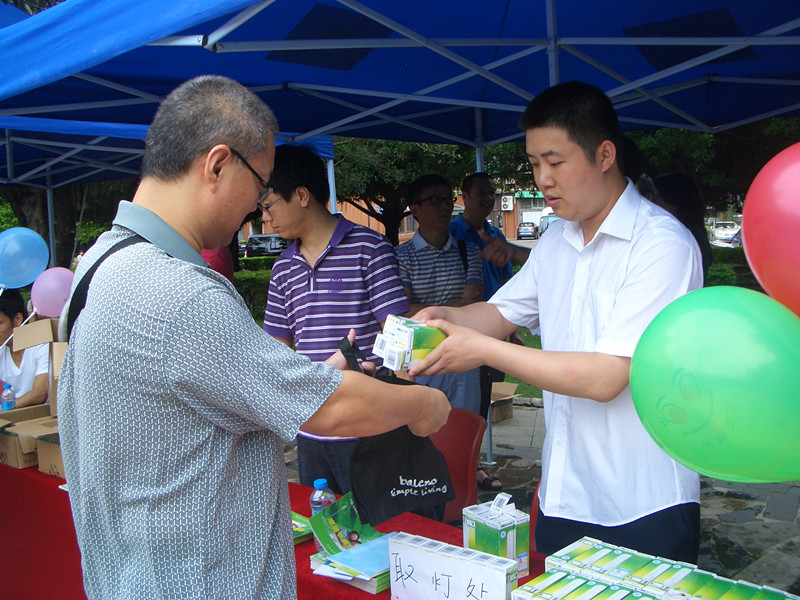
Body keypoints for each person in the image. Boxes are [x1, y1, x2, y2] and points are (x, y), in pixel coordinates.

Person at [57, 75, 449, 600]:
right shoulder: (180, 295)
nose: (257, 207)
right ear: (218, 165)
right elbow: (326, 409)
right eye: (259, 185)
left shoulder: (98, 265)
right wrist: (420, 404)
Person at [408, 81, 703, 562]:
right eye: (533, 163)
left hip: (644, 500)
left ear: (604, 154)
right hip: (567, 492)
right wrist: (448, 316)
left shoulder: (661, 245)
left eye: (556, 161)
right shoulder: (556, 241)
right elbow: (503, 312)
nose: (543, 179)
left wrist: (482, 350)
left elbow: (607, 375)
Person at [262, 143, 410, 495]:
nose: (264, 218)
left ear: (301, 195)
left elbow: (401, 334)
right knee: (325, 529)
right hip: (312, 426)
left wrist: (406, 405)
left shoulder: (370, 249)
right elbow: (277, 350)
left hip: (369, 424)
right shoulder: (283, 268)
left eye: (268, 206)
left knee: (376, 531)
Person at [395, 174, 483, 417]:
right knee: (422, 432)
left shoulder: (469, 251)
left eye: (447, 199)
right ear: (415, 209)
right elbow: (402, 311)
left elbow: (474, 305)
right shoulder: (401, 257)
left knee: (463, 427)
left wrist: (425, 310)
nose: (445, 207)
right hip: (420, 359)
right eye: (435, 200)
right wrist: (456, 308)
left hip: (464, 356)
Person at [448, 172, 512, 490]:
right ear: (464, 196)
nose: (487, 199)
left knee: (482, 402)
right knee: (458, 404)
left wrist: (511, 332)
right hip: (463, 327)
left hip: (495, 331)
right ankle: (458, 467)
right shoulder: (452, 234)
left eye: (491, 194)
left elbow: (509, 286)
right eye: (480, 193)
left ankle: (473, 466)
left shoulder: (496, 234)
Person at [653, 173, 713, 285]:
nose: (652, 202)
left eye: (657, 195)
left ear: (673, 200)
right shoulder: (694, 232)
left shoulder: (682, 236)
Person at [0, 288, 49, 407]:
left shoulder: (41, 346)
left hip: (40, 418)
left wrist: (6, 408)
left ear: (17, 319)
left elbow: (40, 393)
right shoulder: (2, 351)